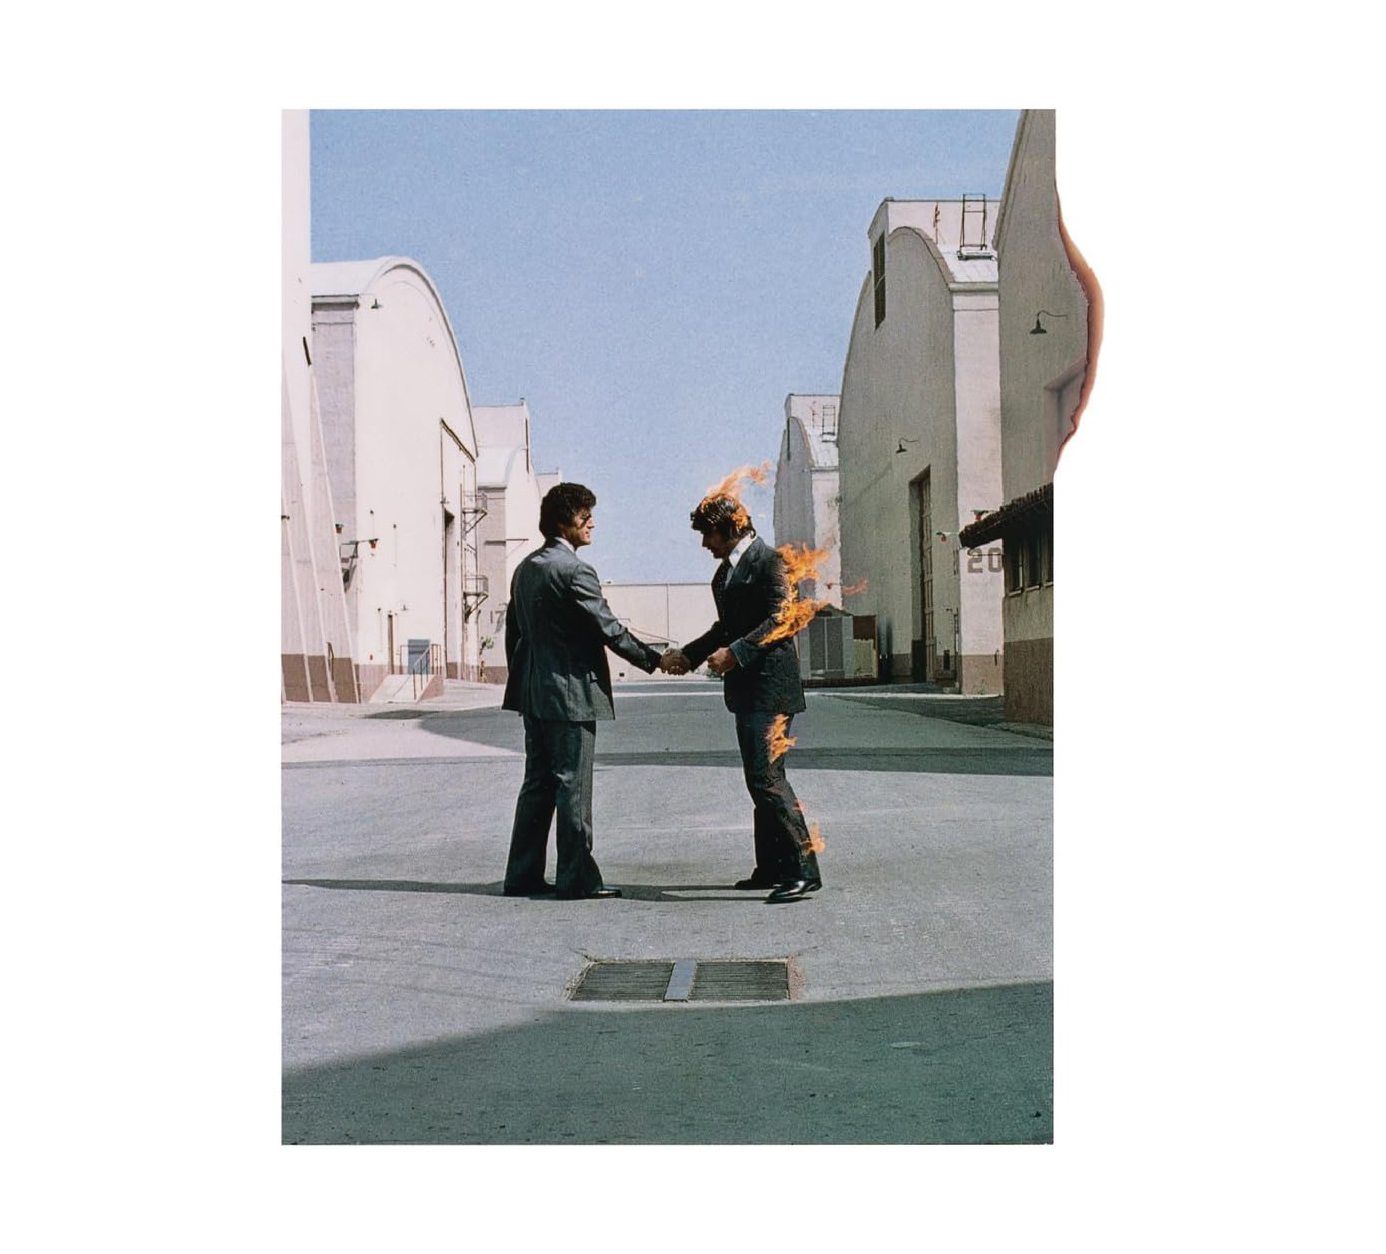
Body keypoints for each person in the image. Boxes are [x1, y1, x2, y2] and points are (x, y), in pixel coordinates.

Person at [501, 482, 664, 900]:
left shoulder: (525, 568)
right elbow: (608, 628)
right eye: (584, 515)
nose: (591, 522)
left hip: (534, 693)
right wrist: (656, 659)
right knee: (572, 785)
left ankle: (522, 876)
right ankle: (576, 879)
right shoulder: (575, 571)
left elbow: (514, 634)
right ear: (563, 522)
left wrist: (525, 681)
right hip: (571, 695)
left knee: (537, 784)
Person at [661, 493, 823, 903]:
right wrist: (689, 655)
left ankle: (804, 870)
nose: (705, 544)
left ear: (730, 528)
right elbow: (725, 627)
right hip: (747, 692)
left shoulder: (772, 563)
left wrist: (735, 654)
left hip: (772, 689)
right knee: (758, 780)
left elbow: (783, 619)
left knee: (767, 779)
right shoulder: (724, 575)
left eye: (708, 534)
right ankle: (771, 867)